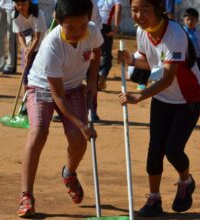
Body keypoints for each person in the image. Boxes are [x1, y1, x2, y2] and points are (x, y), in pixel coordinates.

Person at [17, 0, 103, 217]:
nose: (77, 32)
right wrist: (83, 124)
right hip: (42, 87)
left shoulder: (91, 31)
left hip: (74, 86)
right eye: (70, 27)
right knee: (38, 133)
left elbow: (96, 54)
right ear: (59, 21)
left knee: (77, 140)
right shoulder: (51, 46)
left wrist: (93, 81)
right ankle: (26, 195)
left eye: (82, 26)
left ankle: (69, 173)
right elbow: (57, 96)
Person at [118, 0, 200, 217]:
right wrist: (130, 60)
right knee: (154, 150)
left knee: (173, 150)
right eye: (134, 10)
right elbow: (150, 61)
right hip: (162, 97)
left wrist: (140, 95)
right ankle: (154, 199)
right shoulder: (141, 31)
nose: (138, 15)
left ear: (158, 9)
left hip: (187, 99)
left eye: (144, 9)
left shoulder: (174, 33)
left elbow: (167, 77)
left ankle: (186, 180)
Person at [12, 0, 47, 87]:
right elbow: (20, 36)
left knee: (37, 76)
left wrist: (30, 53)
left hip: (40, 49)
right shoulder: (14, 15)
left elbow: (37, 37)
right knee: (25, 76)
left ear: (29, 2)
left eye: (23, 3)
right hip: (26, 49)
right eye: (18, 4)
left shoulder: (38, 14)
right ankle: (24, 99)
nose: (20, 7)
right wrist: (25, 49)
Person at [97, 0, 122, 90]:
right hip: (104, 26)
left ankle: (89, 76)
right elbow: (118, 9)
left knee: (91, 51)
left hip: (92, 24)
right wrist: (116, 26)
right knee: (106, 54)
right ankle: (102, 75)